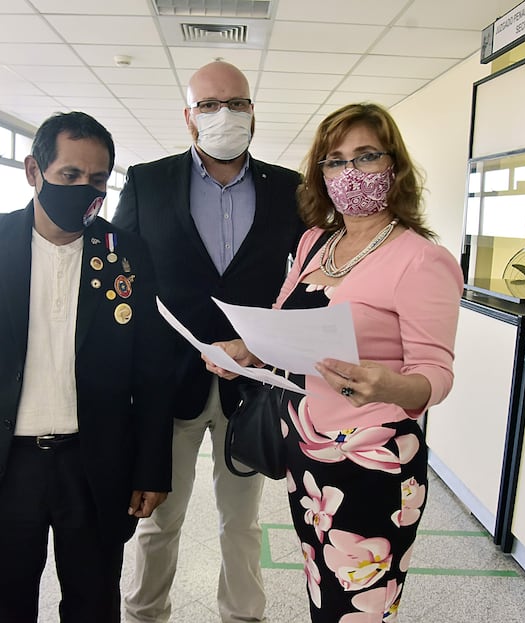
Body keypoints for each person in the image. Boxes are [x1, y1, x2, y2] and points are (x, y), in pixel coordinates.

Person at [0, 111, 174, 623]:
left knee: (94, 606)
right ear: (34, 171)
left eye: (97, 179)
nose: (84, 189)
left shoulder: (125, 253)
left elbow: (152, 371)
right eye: (69, 175)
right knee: (2, 608)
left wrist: (152, 467)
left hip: (94, 465)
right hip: (1, 466)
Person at [204, 103, 464, 622]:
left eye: (366, 156)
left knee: (359, 609)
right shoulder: (314, 243)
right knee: (322, 595)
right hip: (306, 454)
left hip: (373, 462)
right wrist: (247, 350)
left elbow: (436, 374)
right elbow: (285, 322)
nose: (350, 171)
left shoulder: (422, 259)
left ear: (394, 165)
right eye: (335, 160)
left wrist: (390, 385)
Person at [112, 61, 304, 623]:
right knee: (158, 518)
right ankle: (145, 613)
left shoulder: (288, 189)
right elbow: (122, 276)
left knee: (241, 521)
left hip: (252, 382)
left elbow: (304, 282)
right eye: (210, 104)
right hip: (169, 381)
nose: (225, 114)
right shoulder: (148, 182)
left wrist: (266, 344)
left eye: (237, 103)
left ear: (253, 111)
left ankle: (242, 615)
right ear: (189, 116)